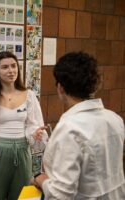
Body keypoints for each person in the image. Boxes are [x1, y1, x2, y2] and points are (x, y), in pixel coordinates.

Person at [33, 52, 125, 199]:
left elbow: (60, 195)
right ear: (94, 85)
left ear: (60, 88)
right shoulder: (115, 119)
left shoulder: (70, 129)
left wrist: (41, 180)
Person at [0, 51, 47, 200]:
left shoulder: (29, 96)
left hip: (22, 152)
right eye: (5, 67)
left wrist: (36, 133)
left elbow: (33, 125)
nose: (11, 71)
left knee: (23, 196)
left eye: (14, 66)